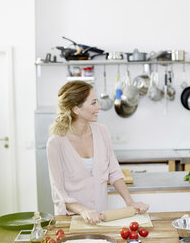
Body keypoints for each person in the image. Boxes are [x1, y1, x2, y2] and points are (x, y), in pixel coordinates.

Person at [47, 80, 149, 224]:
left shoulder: (102, 132)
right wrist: (84, 211)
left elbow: (114, 172)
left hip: (100, 218)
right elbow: (58, 192)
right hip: (70, 220)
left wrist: (130, 202)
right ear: (76, 109)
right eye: (93, 103)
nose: (99, 107)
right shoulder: (56, 143)